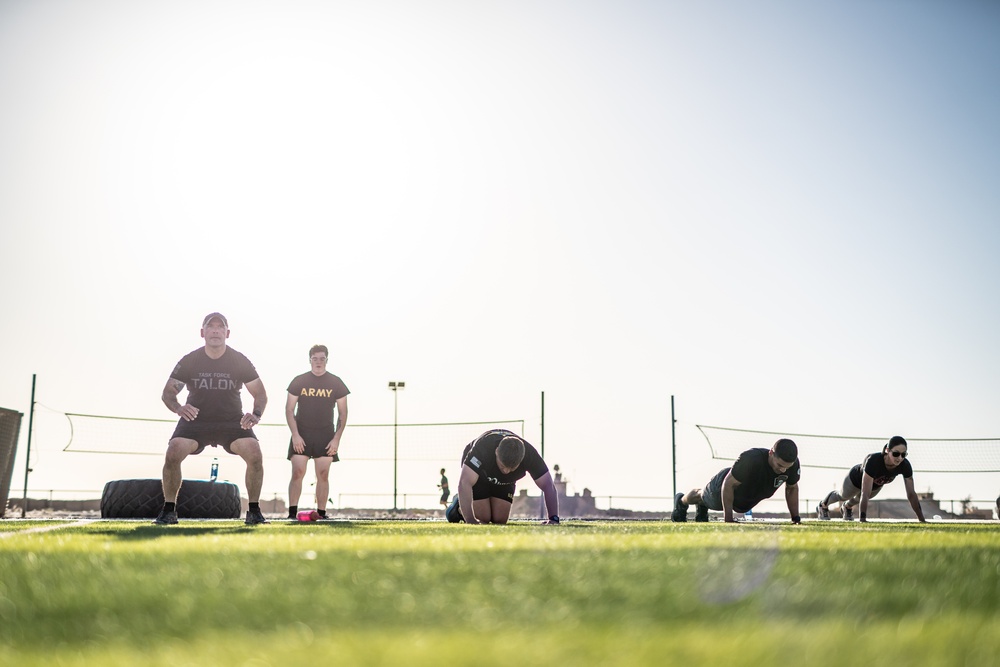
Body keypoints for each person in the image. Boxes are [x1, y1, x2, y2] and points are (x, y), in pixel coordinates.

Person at [157, 312, 269, 525]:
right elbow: (168, 393)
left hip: (232, 421)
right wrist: (179, 408)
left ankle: (254, 511)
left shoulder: (239, 360)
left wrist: (255, 415)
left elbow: (260, 394)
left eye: (220, 327)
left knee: (254, 454)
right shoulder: (190, 360)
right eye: (211, 326)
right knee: (173, 452)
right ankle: (169, 510)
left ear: (227, 333)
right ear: (203, 332)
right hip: (195, 421)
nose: (215, 330)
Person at [285, 344, 350, 520]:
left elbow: (343, 413)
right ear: (310, 360)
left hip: (326, 435)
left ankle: (321, 514)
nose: (318, 362)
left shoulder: (336, 382)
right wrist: (295, 435)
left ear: (327, 360)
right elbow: (289, 410)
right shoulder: (299, 381)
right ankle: (292, 514)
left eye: (322, 359)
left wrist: (336, 439)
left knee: (323, 474)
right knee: (298, 472)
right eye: (315, 359)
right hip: (302, 434)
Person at [672, 438, 802, 524]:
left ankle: (702, 505)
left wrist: (795, 518)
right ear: (771, 453)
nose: (784, 470)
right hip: (722, 487)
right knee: (702, 496)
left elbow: (792, 488)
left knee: (707, 500)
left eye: (787, 467)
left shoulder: (792, 465)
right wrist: (729, 519)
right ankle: (681, 501)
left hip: (743, 499)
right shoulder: (751, 458)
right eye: (780, 465)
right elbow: (728, 484)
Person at [445, 429, 559, 525]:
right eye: (503, 466)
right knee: (483, 518)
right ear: (496, 452)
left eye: (512, 468)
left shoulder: (529, 455)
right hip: (480, 475)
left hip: (505, 482)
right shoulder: (482, 449)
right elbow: (465, 482)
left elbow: (548, 485)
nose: (506, 471)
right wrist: (470, 519)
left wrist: (553, 518)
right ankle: (459, 508)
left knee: (499, 520)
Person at [815, 436, 926, 523]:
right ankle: (822, 505)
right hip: (855, 479)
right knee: (843, 496)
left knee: (858, 499)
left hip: (876, 484)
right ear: (887, 450)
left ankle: (847, 507)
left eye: (903, 454)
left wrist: (922, 519)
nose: (900, 458)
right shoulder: (874, 461)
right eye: (896, 454)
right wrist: (862, 518)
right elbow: (865, 492)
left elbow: (911, 494)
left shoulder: (905, 465)